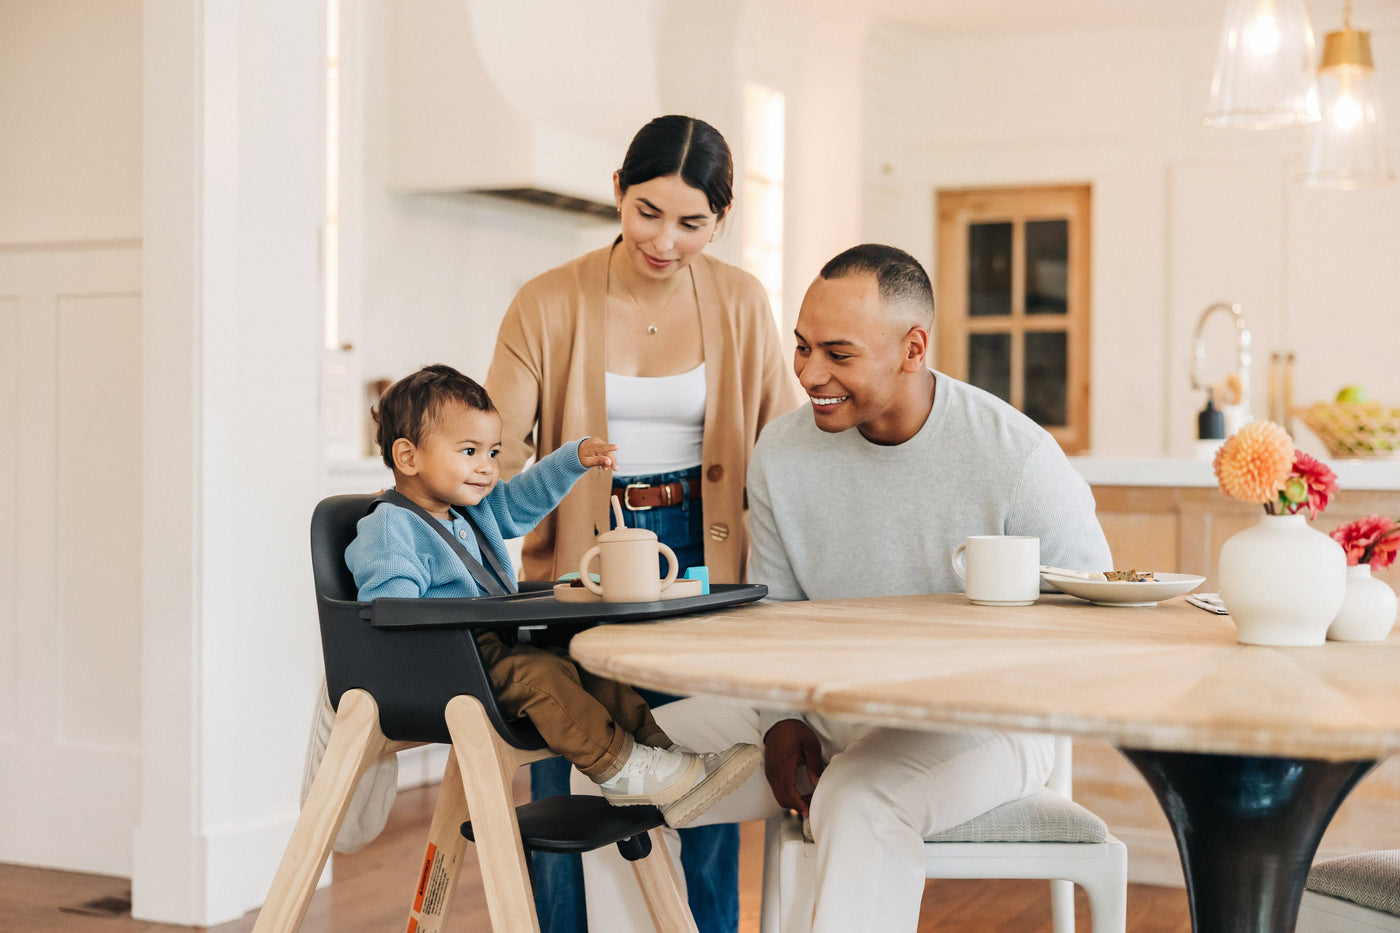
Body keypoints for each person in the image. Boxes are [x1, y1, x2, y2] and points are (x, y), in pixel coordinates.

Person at [573, 244, 1113, 933]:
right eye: (802, 347)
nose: (809, 373)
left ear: (913, 348)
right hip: (822, 705)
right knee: (606, 769)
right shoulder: (783, 452)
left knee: (860, 795)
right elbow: (776, 617)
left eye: (838, 353)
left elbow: (1093, 611)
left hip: (982, 723)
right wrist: (780, 719)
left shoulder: (1017, 456)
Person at [485, 115, 801, 932]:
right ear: (618, 192)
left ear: (721, 221)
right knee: (567, 762)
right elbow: (495, 447)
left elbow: (780, 441)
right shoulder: (548, 300)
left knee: (708, 764)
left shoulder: (741, 301)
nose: (665, 239)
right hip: (581, 549)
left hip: (705, 550)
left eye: (692, 222)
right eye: (648, 211)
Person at [344, 364, 760, 826]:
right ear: (408, 457)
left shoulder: (470, 512)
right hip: (446, 664)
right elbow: (391, 614)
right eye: (469, 451)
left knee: (587, 660)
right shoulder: (389, 526)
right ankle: (622, 771)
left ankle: (666, 760)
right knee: (540, 677)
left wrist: (572, 459)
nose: (487, 466)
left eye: (493, 451)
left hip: (494, 650)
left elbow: (520, 502)